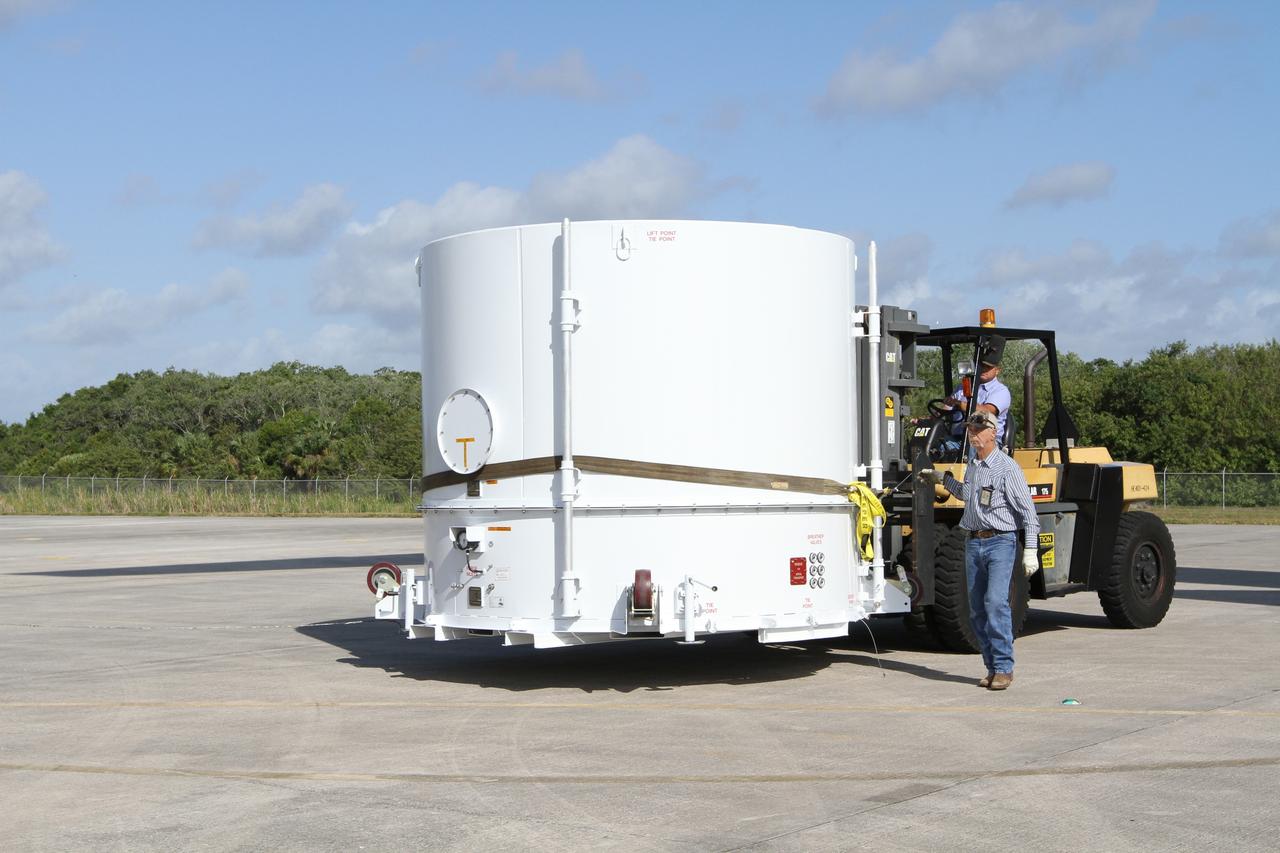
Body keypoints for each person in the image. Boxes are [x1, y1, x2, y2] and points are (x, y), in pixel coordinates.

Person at [922, 410, 1039, 690]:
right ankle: (991, 666)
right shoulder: (974, 464)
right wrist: (943, 479)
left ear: (992, 433)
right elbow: (967, 494)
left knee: (996, 603)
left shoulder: (1007, 468)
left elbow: (1028, 512)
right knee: (976, 610)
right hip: (973, 542)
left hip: (1000, 541)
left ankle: (1003, 668)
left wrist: (1031, 549)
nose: (971, 435)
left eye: (976, 431)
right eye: (970, 431)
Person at [936, 334, 1011, 458]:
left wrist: (959, 404)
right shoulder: (964, 386)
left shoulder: (1001, 391)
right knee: (933, 443)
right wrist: (927, 420)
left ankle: (970, 477)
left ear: (997, 370)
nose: (984, 369)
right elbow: (946, 409)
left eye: (988, 367)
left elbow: (986, 412)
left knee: (975, 442)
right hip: (958, 439)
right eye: (981, 366)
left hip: (988, 441)